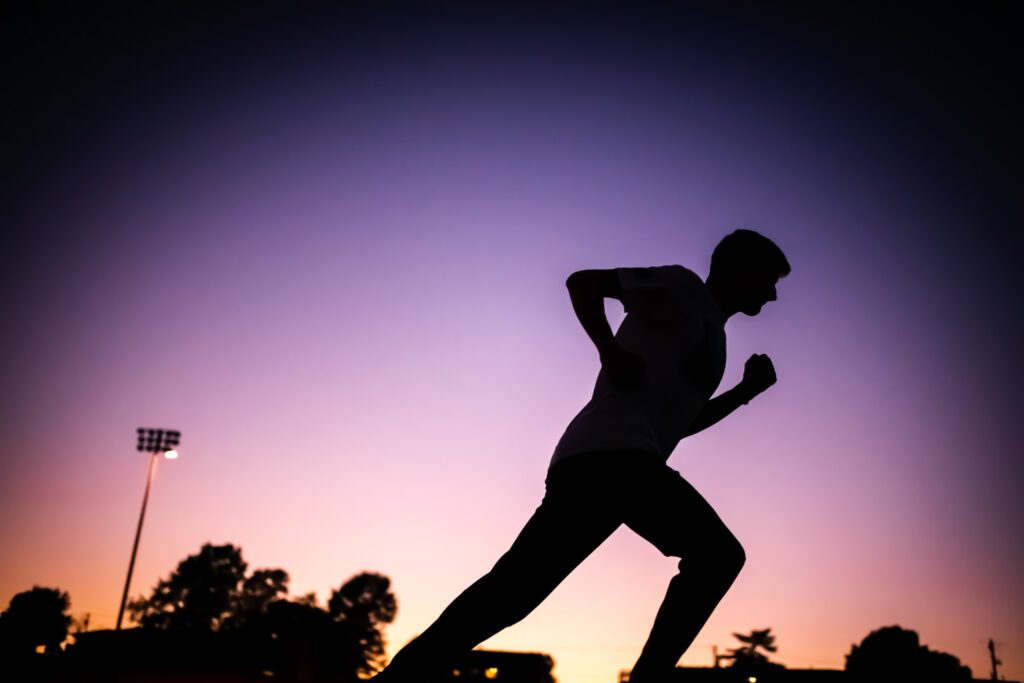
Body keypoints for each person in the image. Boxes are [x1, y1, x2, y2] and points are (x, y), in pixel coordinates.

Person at [376, 229, 791, 683]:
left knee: (514, 591)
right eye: (768, 280)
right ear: (739, 269)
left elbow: (682, 424)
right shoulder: (681, 285)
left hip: (606, 462)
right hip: (615, 457)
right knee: (717, 555)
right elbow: (583, 283)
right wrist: (610, 352)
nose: (772, 295)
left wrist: (744, 393)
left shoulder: (716, 337)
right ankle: (649, 682)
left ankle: (399, 678)